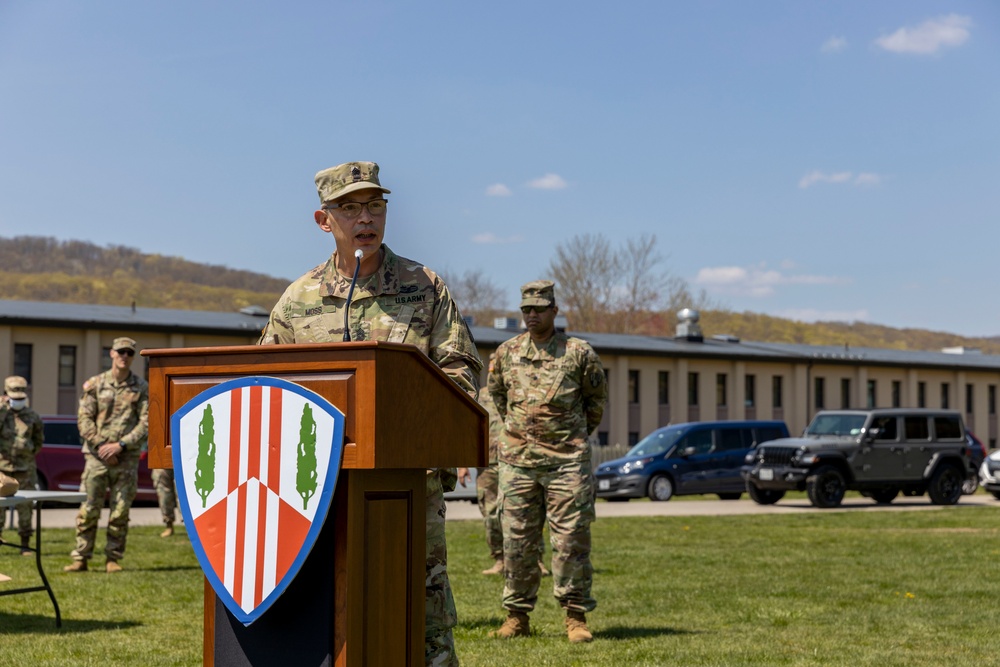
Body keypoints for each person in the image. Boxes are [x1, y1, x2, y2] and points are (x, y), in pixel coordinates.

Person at [258, 161, 482, 667]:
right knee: (328, 613)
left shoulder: (424, 286)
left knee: (420, 615)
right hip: (317, 489)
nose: (366, 217)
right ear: (324, 220)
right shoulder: (297, 301)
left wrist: (413, 417)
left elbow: (461, 370)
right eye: (350, 207)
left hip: (406, 486)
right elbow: (265, 385)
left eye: (375, 205)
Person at [488, 280, 608, 643]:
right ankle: (516, 617)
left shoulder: (578, 353)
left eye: (540, 308)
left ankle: (575, 617)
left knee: (571, 539)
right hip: (518, 462)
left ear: (554, 310)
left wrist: (568, 438)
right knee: (517, 542)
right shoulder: (506, 353)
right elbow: (497, 397)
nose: (532, 315)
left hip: (566, 463)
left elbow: (595, 402)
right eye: (526, 309)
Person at [65, 337, 149, 574]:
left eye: (129, 353)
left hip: (126, 457)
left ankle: (113, 557)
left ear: (132, 357)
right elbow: (83, 419)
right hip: (96, 457)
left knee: (120, 511)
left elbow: (146, 422)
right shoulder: (95, 384)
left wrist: (120, 445)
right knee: (89, 509)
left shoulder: (141, 387)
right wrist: (103, 445)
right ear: (111, 354)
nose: (124, 355)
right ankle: (80, 557)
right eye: (120, 351)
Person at [477, 368, 549, 578]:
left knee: (527, 512)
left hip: (518, 460)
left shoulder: (520, 393)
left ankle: (536, 559)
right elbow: (472, 426)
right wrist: (464, 465)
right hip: (488, 463)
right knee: (491, 514)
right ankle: (499, 559)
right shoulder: (480, 395)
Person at [0, 376, 44, 554]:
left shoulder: (32, 416)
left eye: (20, 398)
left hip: (25, 469)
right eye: (14, 397)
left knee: (25, 507)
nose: (17, 401)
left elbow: (38, 441)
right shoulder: (2, 414)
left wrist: (27, 454)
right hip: (2, 469)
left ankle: (25, 543)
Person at [151, 467, 177, 537]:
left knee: (183, 491)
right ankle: (169, 525)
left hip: (183, 458)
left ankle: (191, 526)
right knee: (164, 493)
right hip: (160, 459)